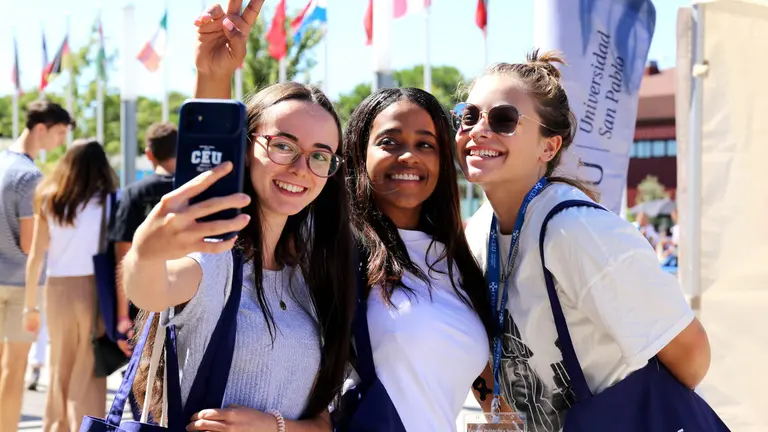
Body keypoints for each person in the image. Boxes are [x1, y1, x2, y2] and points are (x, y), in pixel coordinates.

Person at [122, 0, 355, 429]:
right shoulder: (218, 257)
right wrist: (145, 252)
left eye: (320, 156)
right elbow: (152, 289)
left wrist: (273, 427)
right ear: (246, 147)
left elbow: (321, 421)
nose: (301, 168)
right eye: (283, 145)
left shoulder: (314, 271)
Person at [459, 50, 711, 431]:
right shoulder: (478, 233)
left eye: (504, 119)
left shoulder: (576, 231)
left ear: (549, 147)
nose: (479, 130)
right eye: (469, 115)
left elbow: (691, 356)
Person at [342, 88, 494, 430]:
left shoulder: (457, 262)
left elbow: (489, 393)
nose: (409, 156)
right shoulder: (335, 250)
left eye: (426, 144)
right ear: (358, 153)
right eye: (390, 142)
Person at [24, 139, 117, 432]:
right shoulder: (110, 200)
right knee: (90, 366)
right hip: (95, 288)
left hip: (57, 288)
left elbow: (36, 256)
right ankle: (87, 426)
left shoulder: (51, 199)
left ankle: (56, 426)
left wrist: (30, 305)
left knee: (58, 363)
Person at [0, 99, 73, 431]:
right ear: (41, 128)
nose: (60, 141)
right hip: (19, 287)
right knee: (13, 371)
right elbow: (31, 246)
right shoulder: (30, 176)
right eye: (59, 133)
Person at [109, 122, 178, 356]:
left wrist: (121, 316)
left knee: (144, 376)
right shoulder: (195, 191)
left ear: (149, 154)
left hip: (143, 303)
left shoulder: (133, 194)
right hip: (188, 297)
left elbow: (123, 256)